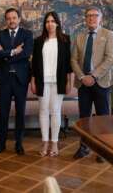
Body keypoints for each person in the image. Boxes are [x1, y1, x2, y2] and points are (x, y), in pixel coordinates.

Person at [71, 6, 113, 161]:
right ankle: (84, 147)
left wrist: (94, 76)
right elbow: (73, 60)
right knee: (84, 117)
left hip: (101, 82)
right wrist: (83, 77)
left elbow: (110, 58)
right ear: (85, 18)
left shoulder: (108, 35)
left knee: (103, 118)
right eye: (88, 15)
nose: (91, 18)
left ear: (100, 18)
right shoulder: (79, 37)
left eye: (94, 15)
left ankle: (103, 151)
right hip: (83, 83)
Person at [31, 11, 72, 157]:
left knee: (55, 111)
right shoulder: (38, 41)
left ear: (57, 23)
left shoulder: (65, 40)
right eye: (47, 22)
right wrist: (33, 81)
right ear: (45, 24)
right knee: (43, 111)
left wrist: (69, 82)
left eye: (53, 21)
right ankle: (45, 142)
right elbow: (34, 64)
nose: (50, 24)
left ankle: (54, 142)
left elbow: (68, 64)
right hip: (42, 81)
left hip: (59, 81)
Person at [0, 8, 33, 155]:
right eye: (9, 18)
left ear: (19, 19)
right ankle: (1, 142)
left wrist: (5, 55)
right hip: (4, 79)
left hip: (21, 79)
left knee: (20, 112)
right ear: (6, 20)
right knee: (3, 112)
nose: (11, 20)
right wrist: (14, 51)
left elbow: (27, 53)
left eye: (14, 18)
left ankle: (19, 143)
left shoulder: (27, 34)